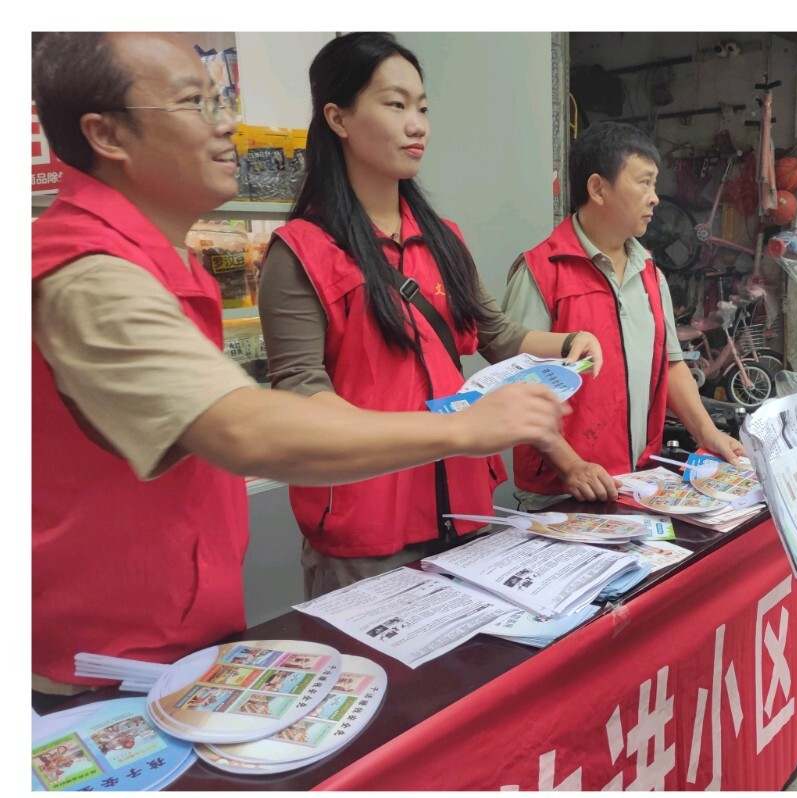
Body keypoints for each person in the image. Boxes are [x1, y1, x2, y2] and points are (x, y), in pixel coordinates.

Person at [31, 32, 566, 696]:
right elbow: (246, 429)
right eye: (195, 103)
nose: (227, 123)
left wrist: (556, 359)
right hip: (114, 667)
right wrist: (467, 427)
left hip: (195, 635)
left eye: (422, 107)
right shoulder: (90, 272)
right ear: (106, 135)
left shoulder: (166, 260)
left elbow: (494, 334)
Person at [257, 33, 603, 600]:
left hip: (466, 512)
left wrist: (567, 343)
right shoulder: (300, 253)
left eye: (421, 107)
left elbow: (496, 335)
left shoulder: (443, 240)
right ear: (338, 118)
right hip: (366, 530)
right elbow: (300, 392)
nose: (416, 124)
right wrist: (448, 428)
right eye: (395, 105)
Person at [502, 122, 746, 510]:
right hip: (562, 494)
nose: (654, 199)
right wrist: (571, 466)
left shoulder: (649, 272)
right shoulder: (542, 271)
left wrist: (708, 433)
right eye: (644, 183)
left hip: (636, 484)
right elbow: (513, 387)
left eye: (655, 185)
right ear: (598, 188)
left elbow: (670, 364)